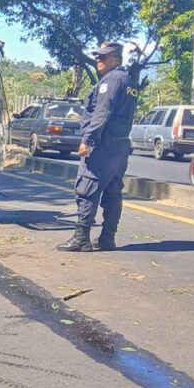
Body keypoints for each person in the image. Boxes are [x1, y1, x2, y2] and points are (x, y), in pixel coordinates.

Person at [57, 42, 139, 252]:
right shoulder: (128, 81)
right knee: (113, 192)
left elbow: (102, 113)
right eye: (97, 56)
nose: (98, 60)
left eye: (104, 57)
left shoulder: (111, 81)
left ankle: (81, 238)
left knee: (87, 187)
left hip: (103, 145)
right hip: (120, 145)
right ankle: (107, 238)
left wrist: (88, 140)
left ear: (116, 59)